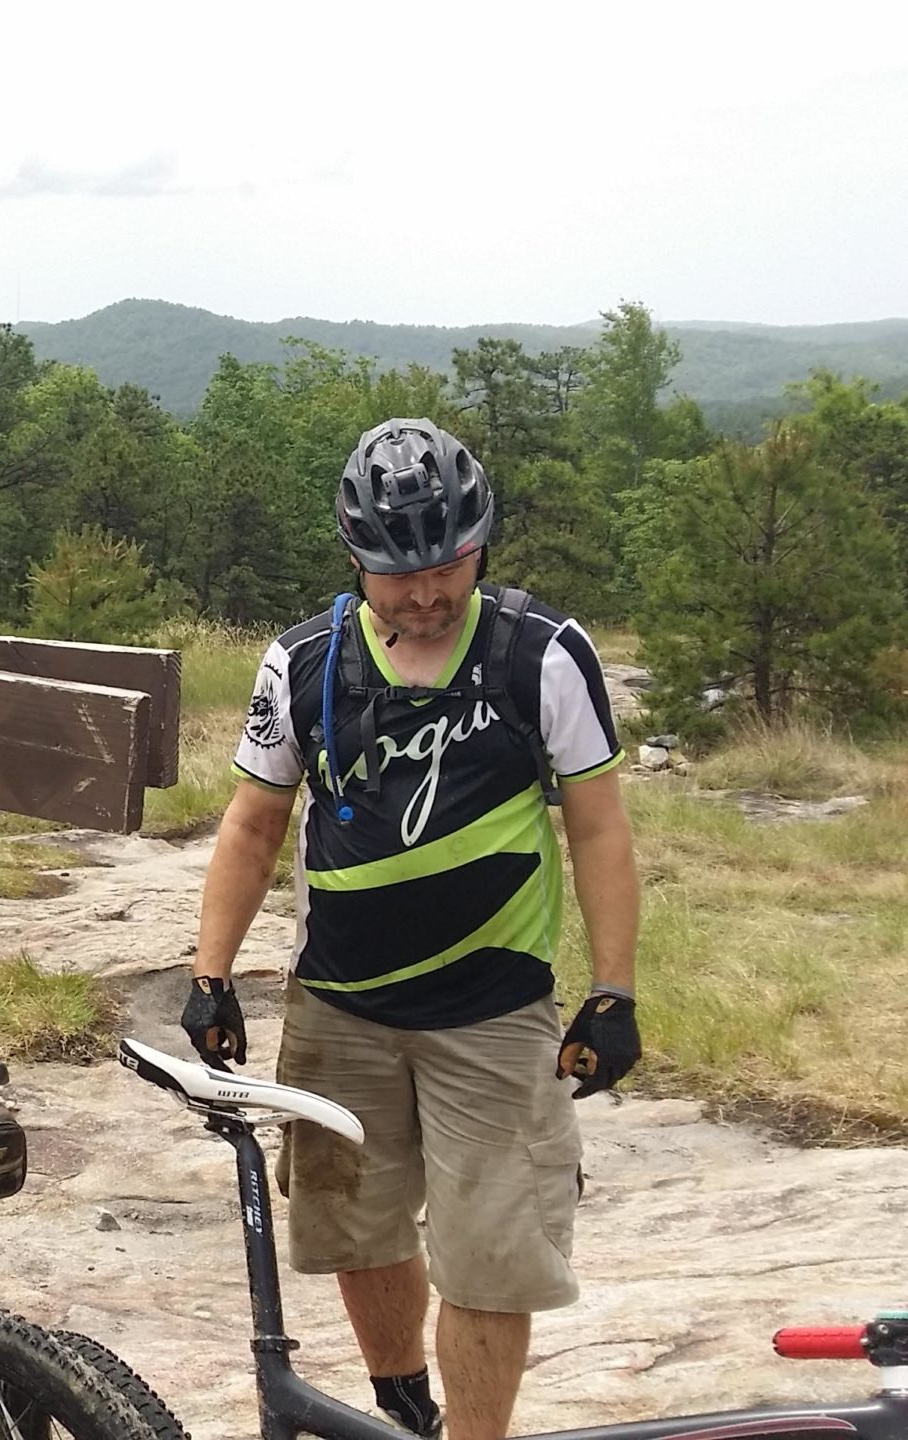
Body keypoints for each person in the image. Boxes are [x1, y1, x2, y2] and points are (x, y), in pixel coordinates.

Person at [184, 419, 643, 1440]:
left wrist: (612, 992)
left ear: (479, 544)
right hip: (338, 1013)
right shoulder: (301, 661)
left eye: (447, 564)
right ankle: (403, 1408)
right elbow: (253, 822)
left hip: (494, 1017)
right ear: (355, 560)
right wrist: (209, 974)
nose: (426, 591)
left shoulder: (542, 654)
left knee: (492, 1254)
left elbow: (600, 827)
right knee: (356, 1227)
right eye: (398, 574)